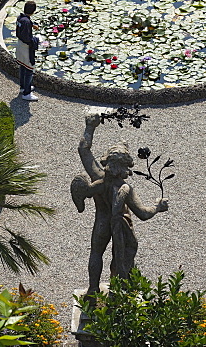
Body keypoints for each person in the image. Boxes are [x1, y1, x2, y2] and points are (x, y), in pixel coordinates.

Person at [71, 112, 168, 294]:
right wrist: (158, 206)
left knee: (96, 253)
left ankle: (93, 290)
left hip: (101, 223)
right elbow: (144, 213)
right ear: (126, 166)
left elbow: (83, 149)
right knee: (120, 255)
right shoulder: (126, 189)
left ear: (107, 160)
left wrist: (90, 127)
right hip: (120, 226)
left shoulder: (97, 177)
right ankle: (118, 290)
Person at [16, 0, 39, 101]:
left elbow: (23, 28)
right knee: (29, 69)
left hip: (19, 46)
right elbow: (27, 39)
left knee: (22, 67)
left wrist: (31, 25)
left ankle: (23, 87)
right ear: (33, 11)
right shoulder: (26, 21)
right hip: (26, 48)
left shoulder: (21, 18)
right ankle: (27, 93)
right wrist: (36, 40)